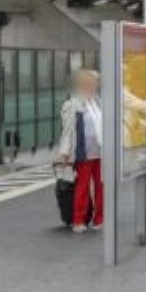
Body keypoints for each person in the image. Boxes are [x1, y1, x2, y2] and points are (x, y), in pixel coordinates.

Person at [57, 70, 104, 233]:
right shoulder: (72, 105)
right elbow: (67, 131)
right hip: (83, 153)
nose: (92, 87)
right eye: (88, 84)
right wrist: (65, 152)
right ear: (80, 85)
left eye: (94, 84)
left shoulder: (99, 103)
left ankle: (100, 219)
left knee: (101, 186)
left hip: (101, 151)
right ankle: (79, 220)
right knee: (82, 187)